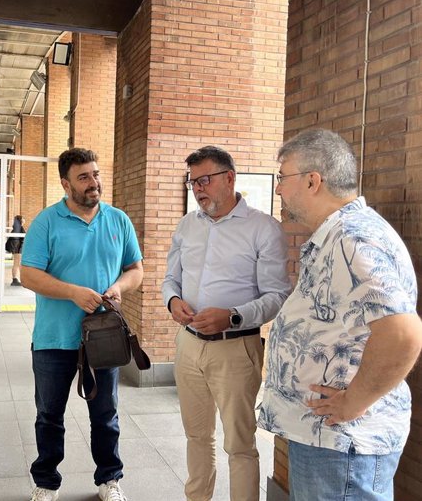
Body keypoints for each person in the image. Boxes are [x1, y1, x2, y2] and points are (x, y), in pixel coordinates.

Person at [258, 129, 422, 501]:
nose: (280, 189)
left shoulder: (352, 238)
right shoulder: (340, 235)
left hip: (342, 443)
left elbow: (402, 333)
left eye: (283, 177)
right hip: (328, 439)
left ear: (313, 181)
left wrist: (354, 401)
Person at [161, 146, 291, 501]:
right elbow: (170, 279)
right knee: (196, 436)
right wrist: (172, 301)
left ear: (229, 178)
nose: (198, 189)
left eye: (204, 180)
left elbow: (278, 295)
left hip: (236, 349)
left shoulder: (263, 228)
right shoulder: (188, 225)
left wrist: (232, 315)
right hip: (188, 347)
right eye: (193, 183)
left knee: (240, 444)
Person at [21, 148, 143, 501]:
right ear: (65, 183)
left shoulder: (118, 220)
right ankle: (46, 482)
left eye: (96, 174)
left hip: (103, 339)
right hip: (53, 339)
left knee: (106, 415)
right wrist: (73, 292)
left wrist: (119, 287)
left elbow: (136, 270)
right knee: (49, 415)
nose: (94, 183)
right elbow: (28, 274)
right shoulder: (47, 221)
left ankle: (110, 480)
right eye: (84, 177)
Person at [6, 214, 25, 286]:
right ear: (20, 220)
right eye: (23, 218)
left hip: (17, 248)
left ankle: (16, 279)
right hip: (17, 249)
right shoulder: (19, 228)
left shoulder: (18, 227)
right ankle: (14, 280)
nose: (24, 219)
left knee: (17, 264)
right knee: (16, 264)